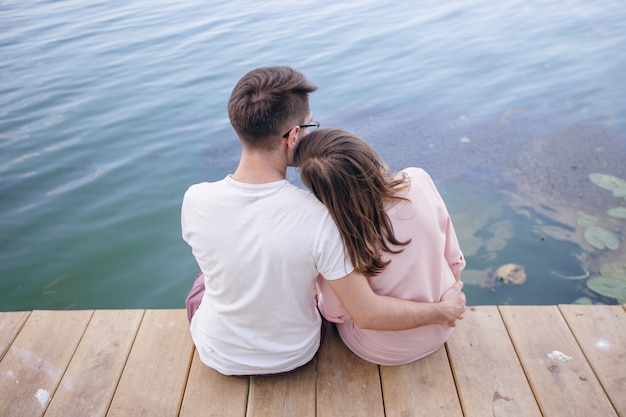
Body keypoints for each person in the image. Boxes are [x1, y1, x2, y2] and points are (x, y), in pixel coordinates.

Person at [181, 66, 466, 376]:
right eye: (309, 126)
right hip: (295, 354)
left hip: (216, 353)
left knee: (205, 279)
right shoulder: (320, 218)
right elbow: (361, 310)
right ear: (292, 137)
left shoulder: (195, 199)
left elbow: (341, 310)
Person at [293, 127, 466, 366]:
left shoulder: (337, 234)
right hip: (443, 327)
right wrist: (450, 300)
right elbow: (453, 258)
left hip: (383, 350)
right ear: (369, 156)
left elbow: (335, 311)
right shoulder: (419, 181)